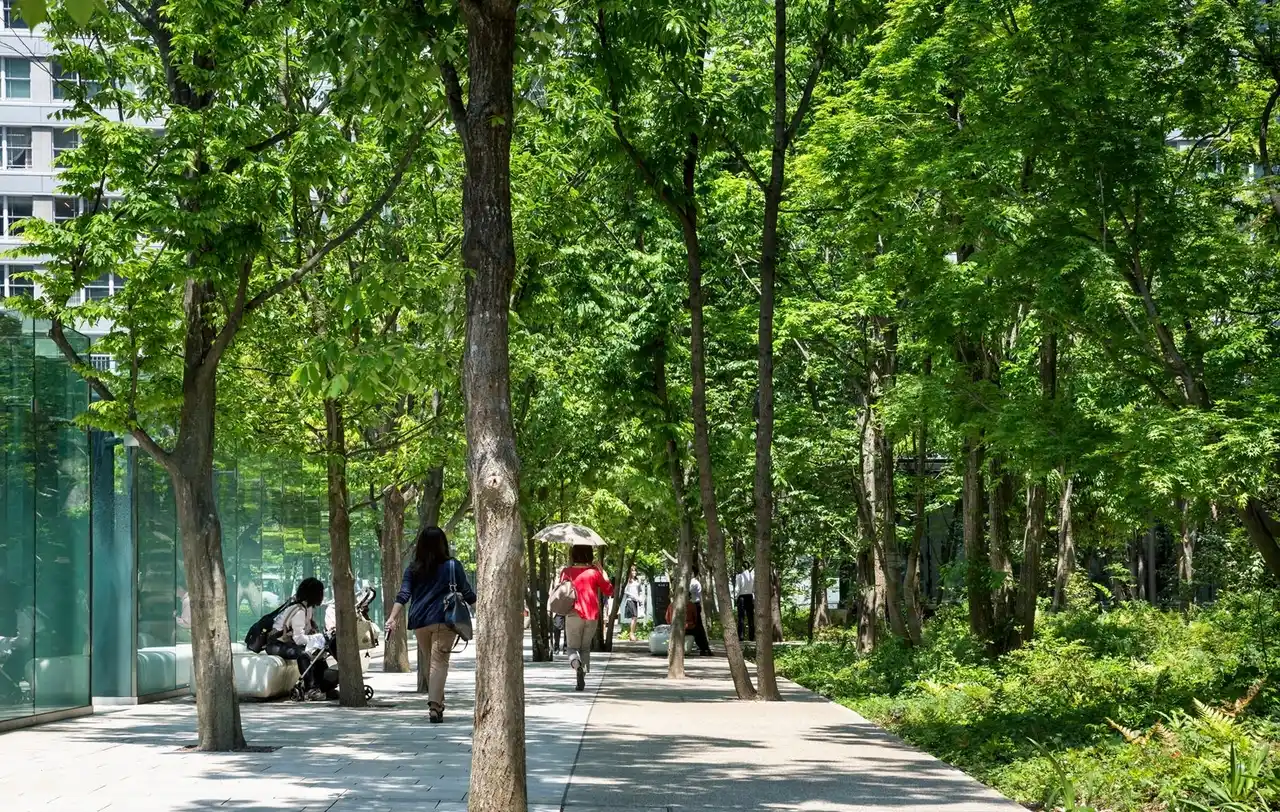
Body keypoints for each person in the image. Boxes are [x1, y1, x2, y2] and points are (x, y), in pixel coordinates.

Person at [385, 526, 476, 723]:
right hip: (445, 620)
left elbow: (404, 595)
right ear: (443, 544)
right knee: (439, 662)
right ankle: (434, 706)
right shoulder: (453, 566)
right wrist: (484, 614)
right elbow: (467, 593)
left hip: (420, 621)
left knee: (430, 662)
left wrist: (392, 618)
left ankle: (438, 703)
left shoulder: (413, 568)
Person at [266, 577, 336, 701]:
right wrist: (317, 638)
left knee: (318, 654)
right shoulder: (299, 611)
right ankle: (311, 689)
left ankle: (323, 686)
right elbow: (298, 639)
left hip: (286, 642)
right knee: (303, 655)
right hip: (276, 644)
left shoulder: (305, 608)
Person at [558, 545, 613, 691]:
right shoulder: (594, 573)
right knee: (585, 648)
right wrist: (603, 573)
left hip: (573, 613)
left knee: (571, 648)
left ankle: (577, 666)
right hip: (592, 615)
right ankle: (582, 676)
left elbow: (561, 590)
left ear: (573, 555)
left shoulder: (567, 572)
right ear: (589, 555)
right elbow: (609, 590)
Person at [688, 564, 712, 656]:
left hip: (695, 605)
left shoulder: (694, 583)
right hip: (690, 605)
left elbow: (688, 592)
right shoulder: (690, 582)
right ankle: (702, 645)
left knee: (697, 626)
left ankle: (704, 646)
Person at [734, 566, 755, 642]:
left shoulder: (739, 576)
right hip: (750, 597)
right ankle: (751, 636)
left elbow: (737, 588)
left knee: (741, 617)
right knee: (751, 618)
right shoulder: (752, 576)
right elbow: (754, 588)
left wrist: (736, 598)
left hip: (742, 597)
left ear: (742, 567)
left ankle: (741, 636)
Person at [621, 566, 643, 641]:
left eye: (635, 571)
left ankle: (632, 633)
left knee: (635, 618)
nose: (634, 572)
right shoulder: (628, 580)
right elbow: (625, 591)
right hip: (630, 600)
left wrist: (640, 598)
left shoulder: (637, 580)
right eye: (632, 571)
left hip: (636, 601)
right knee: (634, 617)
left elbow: (640, 591)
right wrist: (634, 596)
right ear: (630, 572)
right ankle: (631, 634)